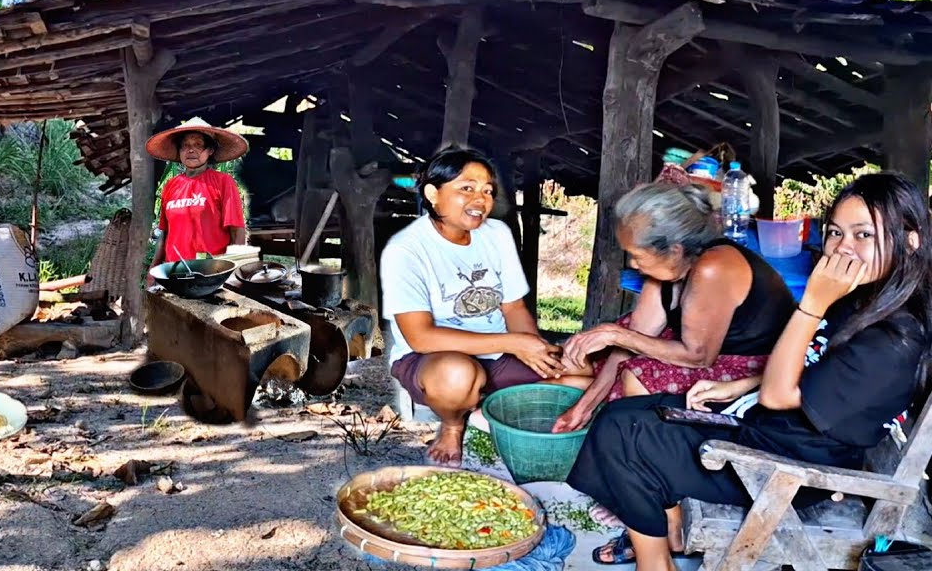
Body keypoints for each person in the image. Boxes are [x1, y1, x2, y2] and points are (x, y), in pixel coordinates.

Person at [568, 172, 932, 569]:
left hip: (792, 467)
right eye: (835, 233)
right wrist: (739, 385)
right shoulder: (866, 301)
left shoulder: (892, 341)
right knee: (625, 414)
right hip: (775, 430)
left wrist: (812, 302)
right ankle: (657, 544)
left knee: (625, 436)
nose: (843, 249)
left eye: (863, 235)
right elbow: (816, 369)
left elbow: (779, 396)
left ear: (910, 240)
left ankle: (654, 563)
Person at [551, 182, 796, 437]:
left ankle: (646, 446)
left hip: (757, 365)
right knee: (600, 351)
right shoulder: (664, 272)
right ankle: (592, 413)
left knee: (637, 376)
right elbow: (630, 341)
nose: (633, 264)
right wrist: (583, 408)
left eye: (637, 255)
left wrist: (616, 334)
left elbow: (698, 356)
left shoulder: (715, 268)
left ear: (674, 250)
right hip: (702, 350)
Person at [380, 146, 570, 466]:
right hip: (431, 360)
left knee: (580, 373)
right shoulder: (405, 250)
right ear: (433, 193)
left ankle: (485, 411)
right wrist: (513, 342)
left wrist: (533, 349)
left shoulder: (496, 234)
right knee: (456, 374)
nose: (480, 200)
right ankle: (454, 425)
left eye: (487, 191)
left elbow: (513, 308)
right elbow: (421, 337)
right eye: (466, 188)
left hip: (497, 355)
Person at [145, 122, 249, 276]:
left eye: (198, 145)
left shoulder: (223, 182)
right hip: (174, 272)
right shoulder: (171, 186)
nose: (191, 149)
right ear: (179, 151)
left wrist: (231, 272)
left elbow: (237, 231)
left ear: (210, 151)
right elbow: (165, 233)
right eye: (185, 145)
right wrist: (153, 270)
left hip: (210, 272)